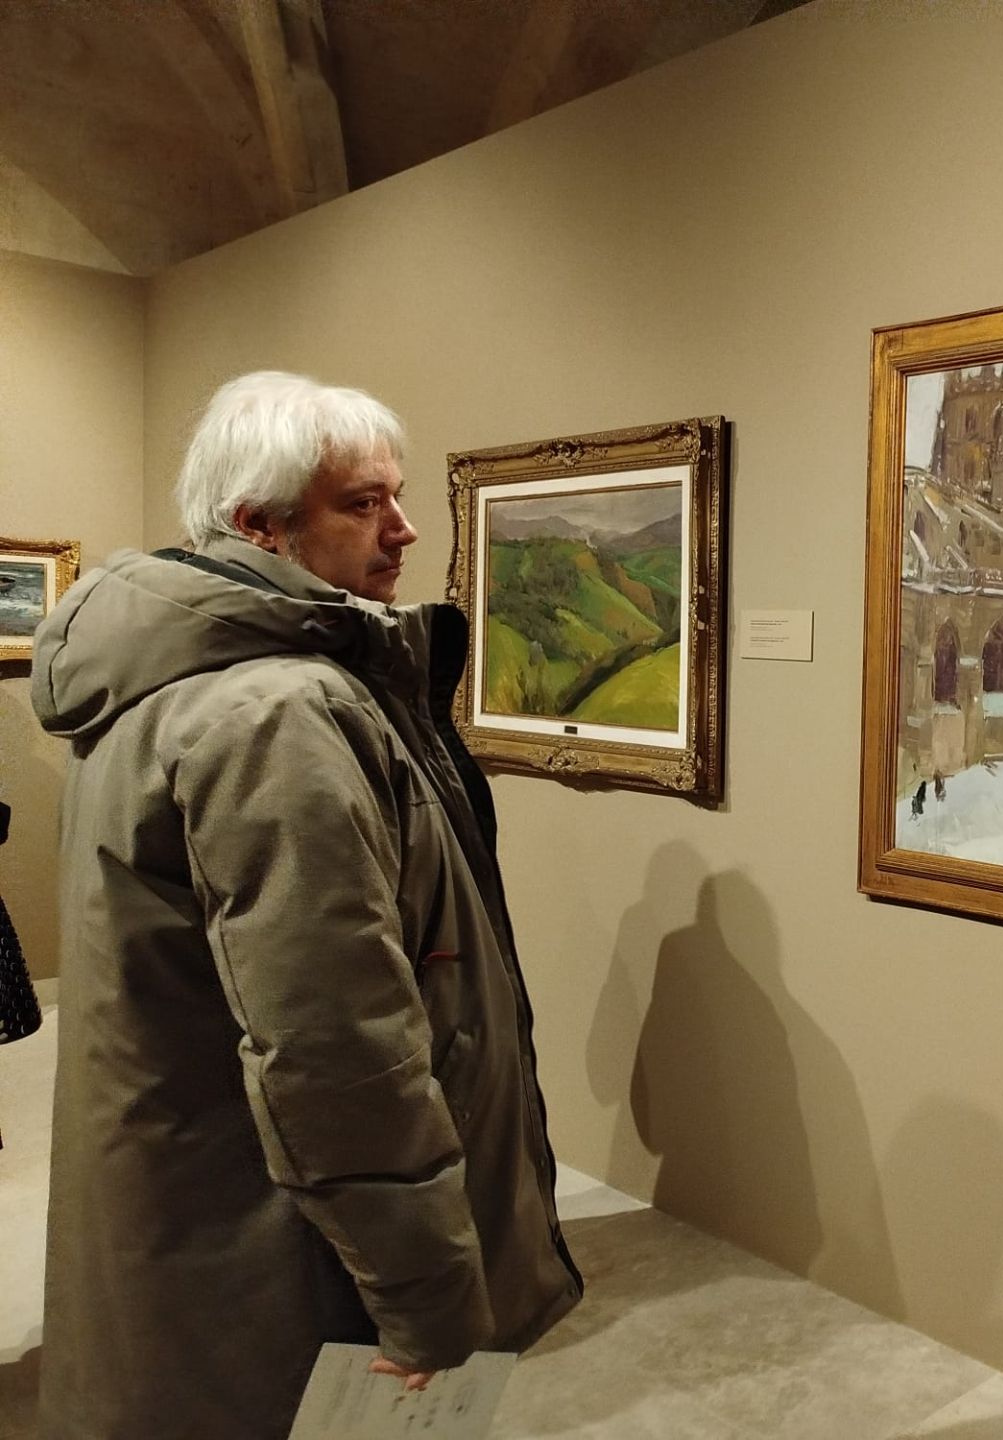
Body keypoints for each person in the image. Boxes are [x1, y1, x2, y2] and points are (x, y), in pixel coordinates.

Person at [30, 372, 581, 1440]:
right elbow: (332, 1045)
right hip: (277, 1235)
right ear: (261, 527)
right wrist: (426, 1295)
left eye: (398, 496)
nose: (405, 528)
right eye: (363, 503)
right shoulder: (273, 713)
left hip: (194, 1182)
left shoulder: (192, 684)